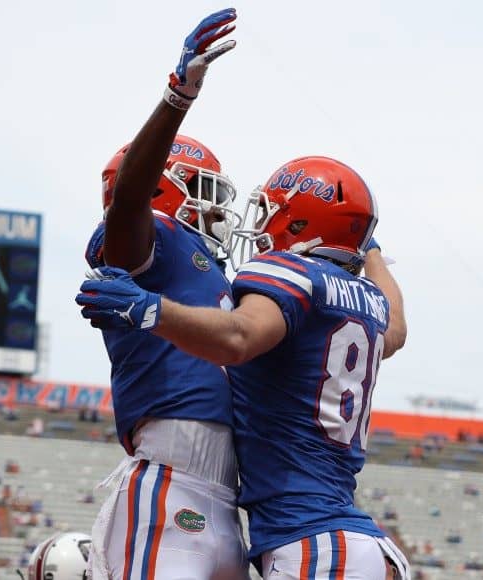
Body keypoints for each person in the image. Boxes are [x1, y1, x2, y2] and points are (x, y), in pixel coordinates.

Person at [78, 156, 409, 579]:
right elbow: (396, 330)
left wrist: (150, 309)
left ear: (299, 225)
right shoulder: (370, 302)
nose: (257, 224)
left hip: (311, 541)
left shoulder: (292, 273)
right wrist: (370, 250)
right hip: (355, 540)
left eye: (271, 211)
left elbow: (237, 337)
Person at [80, 7, 247, 580]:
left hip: (226, 498)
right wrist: (178, 97)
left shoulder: (208, 269)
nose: (216, 208)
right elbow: (128, 206)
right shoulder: (150, 241)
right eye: (202, 191)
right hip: (172, 480)